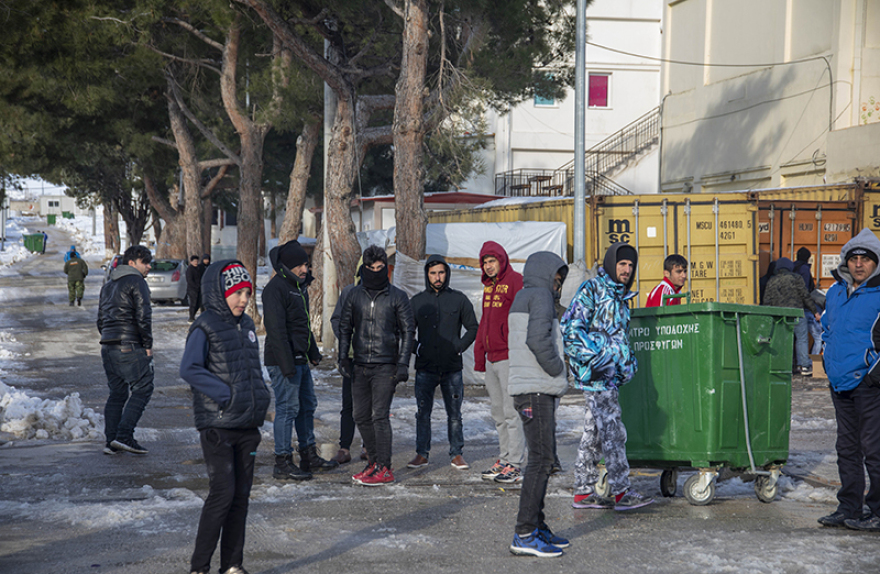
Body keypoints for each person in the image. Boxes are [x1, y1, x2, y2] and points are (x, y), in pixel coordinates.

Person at [180, 260, 270, 574]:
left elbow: (250, 368)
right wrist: (224, 395)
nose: (243, 299)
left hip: (248, 424)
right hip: (218, 425)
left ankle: (232, 565)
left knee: (241, 497)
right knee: (223, 494)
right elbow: (189, 368)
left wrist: (260, 395)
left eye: (247, 293)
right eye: (236, 293)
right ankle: (199, 567)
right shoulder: (204, 324)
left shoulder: (245, 325)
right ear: (220, 292)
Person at [562, 242, 654, 511]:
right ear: (611, 263)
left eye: (630, 265)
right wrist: (601, 356)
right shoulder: (592, 290)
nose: (626, 269)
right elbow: (570, 329)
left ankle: (583, 491)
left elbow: (620, 339)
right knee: (614, 433)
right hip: (597, 375)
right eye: (622, 264)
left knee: (593, 434)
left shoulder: (621, 296)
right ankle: (621, 491)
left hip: (610, 376)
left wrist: (627, 364)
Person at [507, 252, 570, 558]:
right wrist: (558, 368)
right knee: (541, 461)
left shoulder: (524, 296)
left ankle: (538, 525)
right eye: (557, 278)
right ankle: (525, 532)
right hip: (536, 389)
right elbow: (537, 340)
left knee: (541, 459)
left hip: (530, 388)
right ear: (547, 274)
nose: (559, 284)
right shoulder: (542, 297)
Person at [818, 228, 880, 532]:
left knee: (875, 450)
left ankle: (878, 510)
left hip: (869, 384)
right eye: (854, 258)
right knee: (847, 448)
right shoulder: (835, 291)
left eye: (865, 259)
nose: (859, 264)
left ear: (876, 263)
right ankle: (849, 507)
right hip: (840, 382)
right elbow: (827, 327)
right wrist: (826, 356)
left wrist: (873, 374)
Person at [338, 245, 415, 486]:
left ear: (386, 268)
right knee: (360, 415)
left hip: (386, 366)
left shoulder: (397, 296)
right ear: (364, 268)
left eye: (380, 268)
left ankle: (385, 467)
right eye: (370, 268)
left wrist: (403, 363)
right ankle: (373, 462)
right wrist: (342, 357)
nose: (375, 272)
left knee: (379, 416)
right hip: (360, 364)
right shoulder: (354, 295)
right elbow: (345, 327)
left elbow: (408, 331)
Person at [263, 240, 335, 481]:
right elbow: (276, 331)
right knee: (287, 408)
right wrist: (287, 365)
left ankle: (308, 455)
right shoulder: (276, 289)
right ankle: (282, 462)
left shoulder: (298, 287)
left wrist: (312, 352)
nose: (305, 270)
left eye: (306, 264)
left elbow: (302, 325)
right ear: (287, 266)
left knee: (307, 405)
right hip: (283, 360)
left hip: (299, 359)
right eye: (300, 266)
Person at [407, 255, 478, 471]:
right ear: (427, 275)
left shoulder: (459, 299)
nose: (437, 277)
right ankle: (422, 453)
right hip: (425, 367)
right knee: (423, 413)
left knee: (455, 414)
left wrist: (459, 346)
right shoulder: (418, 301)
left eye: (441, 272)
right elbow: (405, 330)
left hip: (451, 368)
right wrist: (417, 348)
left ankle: (456, 453)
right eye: (433, 273)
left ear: (447, 274)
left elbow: (473, 327)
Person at [474, 241, 525, 484]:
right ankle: (504, 459)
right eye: (485, 262)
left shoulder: (515, 281)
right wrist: (479, 354)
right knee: (497, 412)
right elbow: (484, 323)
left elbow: (520, 318)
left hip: (508, 357)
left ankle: (515, 463)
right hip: (491, 358)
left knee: (511, 411)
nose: (488, 266)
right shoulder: (488, 288)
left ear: (502, 260)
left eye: (492, 261)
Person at [96, 245, 154, 455]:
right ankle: (124, 435)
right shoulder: (137, 282)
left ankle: (111, 441)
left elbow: (101, 320)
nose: (148, 266)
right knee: (143, 388)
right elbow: (143, 316)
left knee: (117, 393)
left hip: (108, 346)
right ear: (132, 263)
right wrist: (147, 345)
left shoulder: (108, 286)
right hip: (130, 345)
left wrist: (109, 338)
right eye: (145, 262)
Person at [329, 262, 363, 466]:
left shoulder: (387, 293)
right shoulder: (349, 291)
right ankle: (345, 447)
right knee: (348, 404)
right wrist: (347, 342)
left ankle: (369, 447)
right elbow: (337, 320)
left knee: (372, 407)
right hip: (351, 357)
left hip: (375, 359)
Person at [763, 257, 821, 377]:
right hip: (797, 314)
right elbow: (805, 296)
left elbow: (766, 301)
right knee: (802, 340)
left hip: (779, 316)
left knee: (781, 340)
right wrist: (815, 311)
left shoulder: (772, 281)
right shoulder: (797, 278)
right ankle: (804, 366)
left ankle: (782, 366)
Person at [794, 247, 824, 355]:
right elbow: (805, 292)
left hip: (793, 309)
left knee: (797, 338)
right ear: (807, 258)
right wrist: (814, 311)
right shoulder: (804, 269)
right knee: (818, 337)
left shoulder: (792, 268)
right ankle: (812, 362)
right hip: (805, 309)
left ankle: (797, 363)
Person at [186, 255, 203, 322]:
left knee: (198, 303)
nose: (196, 262)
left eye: (197, 261)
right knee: (193, 303)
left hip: (199, 289)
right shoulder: (190, 269)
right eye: (194, 261)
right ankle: (191, 317)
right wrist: (196, 286)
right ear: (191, 262)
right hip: (192, 289)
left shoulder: (199, 268)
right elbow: (189, 280)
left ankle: (193, 315)